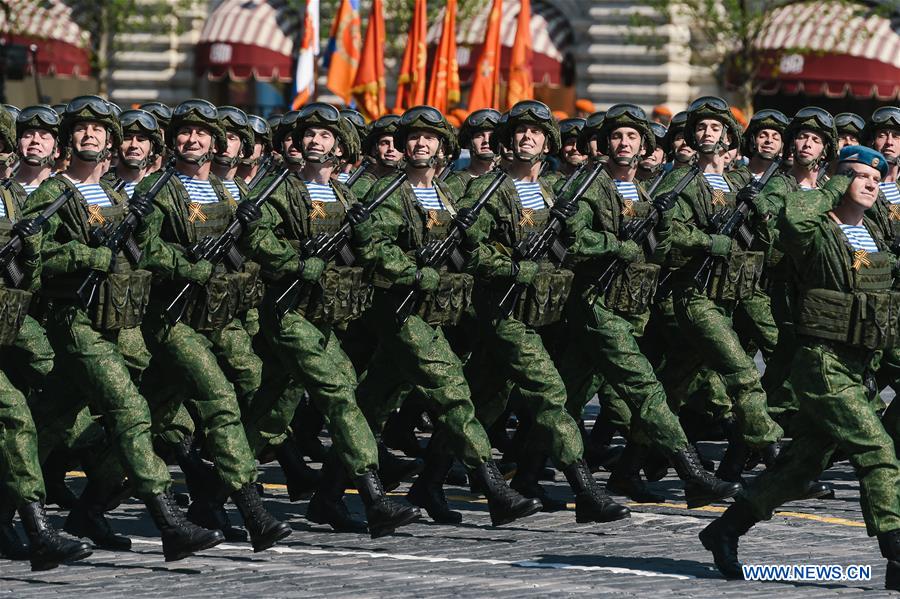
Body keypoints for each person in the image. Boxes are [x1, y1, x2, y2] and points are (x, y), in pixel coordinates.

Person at [699, 146, 900, 592]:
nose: (869, 183)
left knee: (801, 466)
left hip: (857, 367)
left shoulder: (874, 238)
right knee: (879, 451)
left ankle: (725, 530)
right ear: (836, 180)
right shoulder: (815, 233)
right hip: (822, 364)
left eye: (875, 177)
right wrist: (831, 183)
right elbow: (794, 216)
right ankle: (896, 554)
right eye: (858, 175)